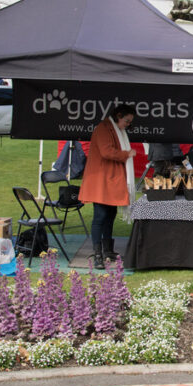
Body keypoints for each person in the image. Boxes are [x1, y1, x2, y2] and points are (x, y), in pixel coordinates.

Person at [80, 104, 137, 269]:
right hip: (101, 179)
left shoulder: (116, 130)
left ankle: (107, 250)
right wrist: (127, 154)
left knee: (110, 214)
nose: (128, 125)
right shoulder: (103, 129)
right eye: (127, 121)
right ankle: (98, 254)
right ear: (118, 115)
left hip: (110, 179)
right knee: (100, 216)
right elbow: (106, 152)